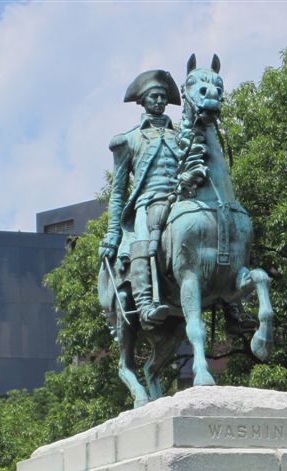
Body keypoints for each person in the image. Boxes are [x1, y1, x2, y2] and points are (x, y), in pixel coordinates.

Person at [98, 69, 181, 329]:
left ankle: (232, 304)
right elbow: (118, 193)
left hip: (180, 199)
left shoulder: (182, 136)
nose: (159, 102)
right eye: (154, 97)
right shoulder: (129, 139)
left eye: (163, 98)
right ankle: (145, 303)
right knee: (143, 239)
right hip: (147, 204)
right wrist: (113, 234)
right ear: (143, 101)